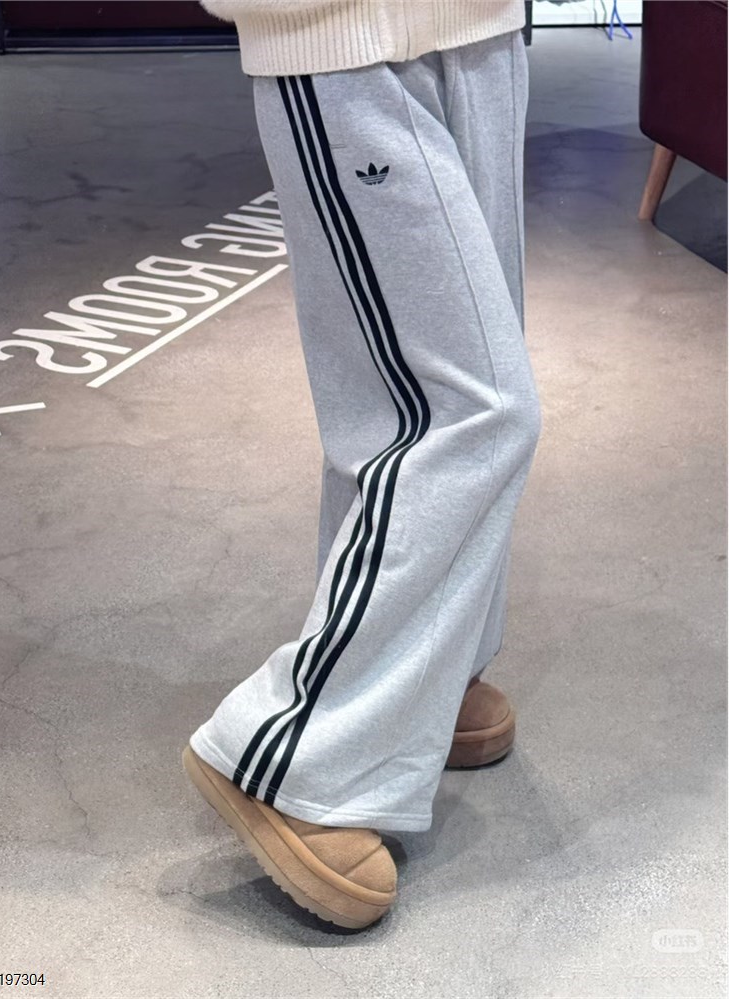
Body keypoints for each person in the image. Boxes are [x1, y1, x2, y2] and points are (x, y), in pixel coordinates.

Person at [183, 0, 541, 930]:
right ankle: (302, 751)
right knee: (473, 406)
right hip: (343, 31)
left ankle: (424, 678)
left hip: (483, 28)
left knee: (392, 405)